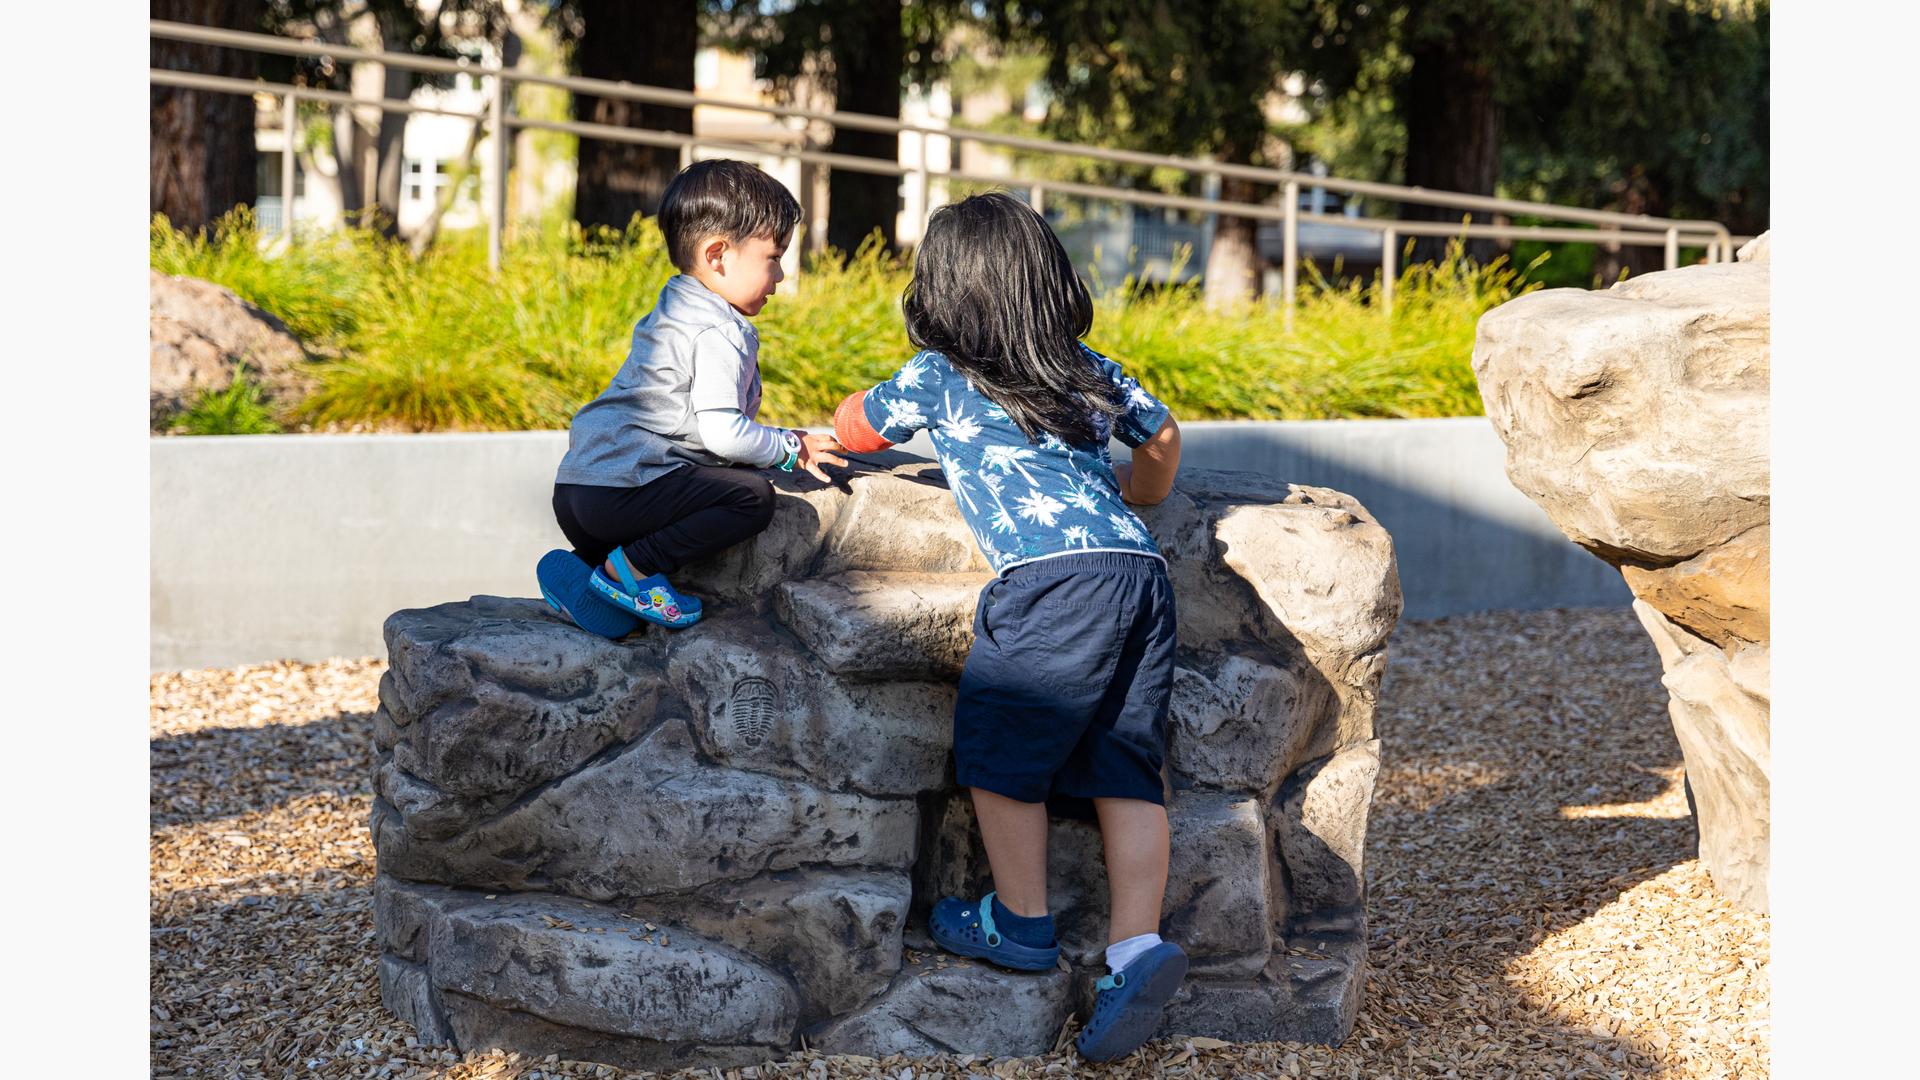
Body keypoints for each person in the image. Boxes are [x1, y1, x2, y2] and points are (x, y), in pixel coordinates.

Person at [832, 192, 1186, 1062]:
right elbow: (1163, 435)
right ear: (1046, 281)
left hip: (1048, 584)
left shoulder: (940, 375)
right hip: (1140, 577)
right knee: (1127, 762)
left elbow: (856, 428)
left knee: (997, 746)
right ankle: (1135, 949)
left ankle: (1020, 920)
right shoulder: (1086, 365)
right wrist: (1142, 492)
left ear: (940, 293)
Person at [536, 159, 845, 638]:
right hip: (623, 493)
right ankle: (632, 570)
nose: (781, 276)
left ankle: (589, 570)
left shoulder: (675, 304)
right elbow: (723, 433)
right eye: (774, 257)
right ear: (718, 254)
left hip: (578, 493)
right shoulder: (720, 328)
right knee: (750, 498)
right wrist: (791, 447)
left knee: (703, 485)